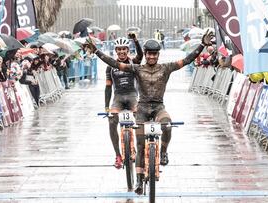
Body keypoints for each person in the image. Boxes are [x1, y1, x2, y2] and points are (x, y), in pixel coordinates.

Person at [87, 30, 213, 195]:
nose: (152, 57)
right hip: (142, 109)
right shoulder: (137, 69)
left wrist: (202, 45)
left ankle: (163, 152)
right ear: (145, 54)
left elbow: (188, 60)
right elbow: (115, 64)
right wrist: (96, 51)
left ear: (158, 55)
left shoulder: (167, 68)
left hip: (159, 107)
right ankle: (139, 181)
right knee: (140, 146)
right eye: (149, 54)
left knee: (167, 125)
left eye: (154, 54)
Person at [106, 33, 143, 169]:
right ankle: (118, 155)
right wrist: (106, 107)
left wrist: (135, 40)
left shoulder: (133, 62)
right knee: (111, 121)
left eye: (124, 49)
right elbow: (108, 87)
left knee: (140, 118)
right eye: (119, 49)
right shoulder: (111, 66)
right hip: (118, 97)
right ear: (116, 51)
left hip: (132, 95)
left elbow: (141, 56)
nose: (121, 51)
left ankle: (140, 150)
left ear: (128, 50)